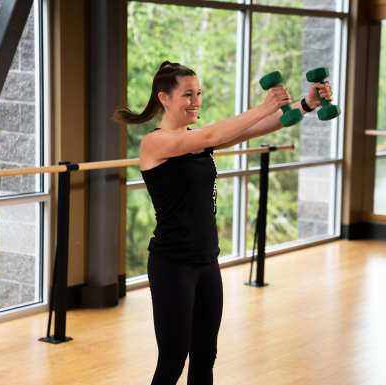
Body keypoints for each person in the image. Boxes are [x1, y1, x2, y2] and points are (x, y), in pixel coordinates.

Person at [112, 61, 334, 385]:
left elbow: (253, 129)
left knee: (205, 358)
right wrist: (263, 105)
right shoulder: (156, 143)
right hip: (173, 264)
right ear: (164, 98)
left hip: (206, 261)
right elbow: (214, 133)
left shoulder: (196, 138)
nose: (196, 101)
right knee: (173, 360)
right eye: (187, 94)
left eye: (198, 93)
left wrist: (306, 104)